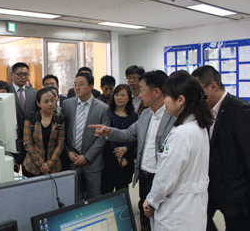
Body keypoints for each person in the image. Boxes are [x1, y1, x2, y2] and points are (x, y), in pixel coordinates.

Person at [89, 70, 175, 231]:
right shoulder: (146, 114)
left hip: (163, 178)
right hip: (145, 176)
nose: (139, 95)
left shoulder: (173, 117)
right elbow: (130, 133)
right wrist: (109, 131)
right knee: (145, 218)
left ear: (156, 92)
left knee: (163, 219)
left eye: (142, 90)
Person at [143, 70, 213, 231]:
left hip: (176, 214)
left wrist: (151, 201)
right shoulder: (198, 128)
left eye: (166, 96)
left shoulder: (181, 134)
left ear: (180, 100)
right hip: (192, 211)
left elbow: (165, 178)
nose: (164, 101)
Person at [192, 65, 250, 231]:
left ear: (213, 86)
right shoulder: (205, 111)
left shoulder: (241, 110)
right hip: (210, 191)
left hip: (237, 197)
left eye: (199, 91)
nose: (197, 97)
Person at [61, 72, 110, 201]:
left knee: (93, 199)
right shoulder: (67, 104)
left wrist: (87, 157)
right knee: (73, 199)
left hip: (92, 162)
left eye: (81, 84)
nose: (77, 88)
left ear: (91, 87)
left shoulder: (103, 108)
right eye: (75, 85)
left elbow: (102, 138)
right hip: (72, 160)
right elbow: (63, 132)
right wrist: (69, 152)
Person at [102, 84, 138, 194]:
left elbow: (135, 135)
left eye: (123, 95)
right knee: (106, 191)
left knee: (122, 191)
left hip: (127, 157)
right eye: (117, 94)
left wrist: (125, 149)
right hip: (109, 157)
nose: (119, 97)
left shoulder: (134, 115)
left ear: (128, 98)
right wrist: (118, 154)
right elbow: (106, 135)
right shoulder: (108, 113)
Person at [22, 88, 65, 177]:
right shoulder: (31, 118)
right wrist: (41, 164)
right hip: (33, 166)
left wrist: (49, 164)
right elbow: (28, 143)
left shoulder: (60, 119)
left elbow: (60, 144)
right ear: (38, 104)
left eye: (52, 100)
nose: (50, 104)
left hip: (54, 167)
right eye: (46, 102)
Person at [9, 62, 38, 173]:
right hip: (12, 139)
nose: (23, 77)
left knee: (29, 173)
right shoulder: (6, 91)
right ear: (12, 75)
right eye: (20, 74)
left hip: (30, 139)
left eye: (26, 74)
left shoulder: (34, 93)